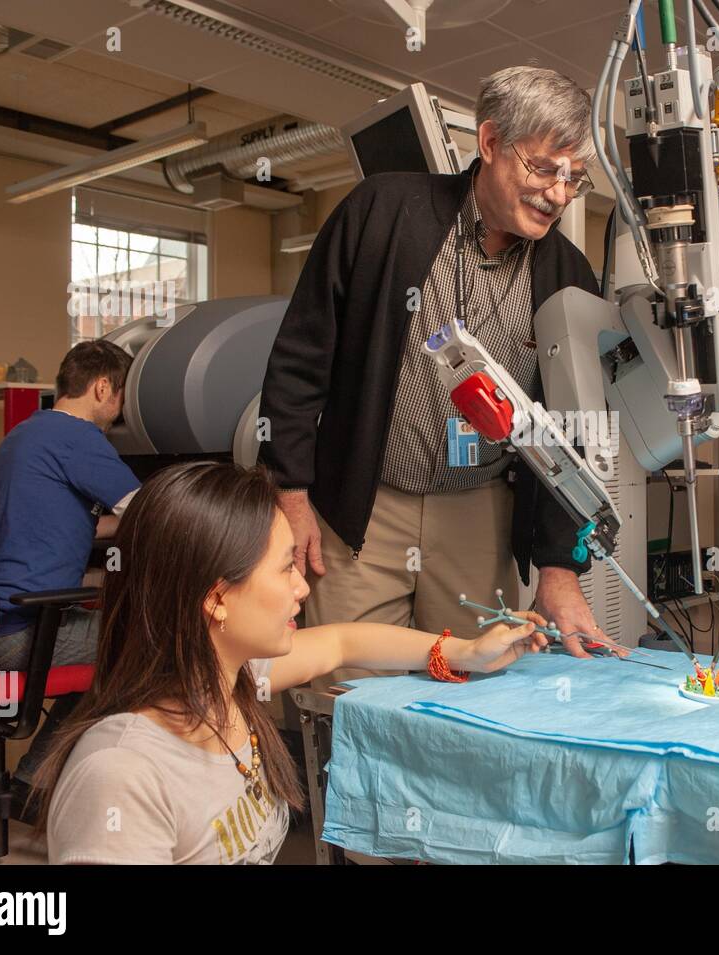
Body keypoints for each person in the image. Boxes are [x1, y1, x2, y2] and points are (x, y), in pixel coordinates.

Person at [258, 66, 605, 679]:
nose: (558, 193)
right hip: (366, 510)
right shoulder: (383, 212)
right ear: (491, 142)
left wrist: (559, 565)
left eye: (574, 178)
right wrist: (290, 492)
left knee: (473, 697)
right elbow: (297, 360)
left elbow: (571, 431)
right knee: (352, 697)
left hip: (481, 517)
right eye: (544, 169)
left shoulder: (567, 274)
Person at [34, 462, 546, 864]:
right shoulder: (119, 774)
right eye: (285, 569)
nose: (303, 588)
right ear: (217, 600)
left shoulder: (230, 683)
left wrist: (466, 652)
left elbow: (345, 642)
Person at [0, 340, 140, 670]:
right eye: (123, 395)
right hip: (24, 632)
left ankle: (69, 724)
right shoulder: (78, 437)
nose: (122, 409)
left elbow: (60, 522)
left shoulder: (20, 434)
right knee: (155, 637)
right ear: (102, 387)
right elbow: (151, 512)